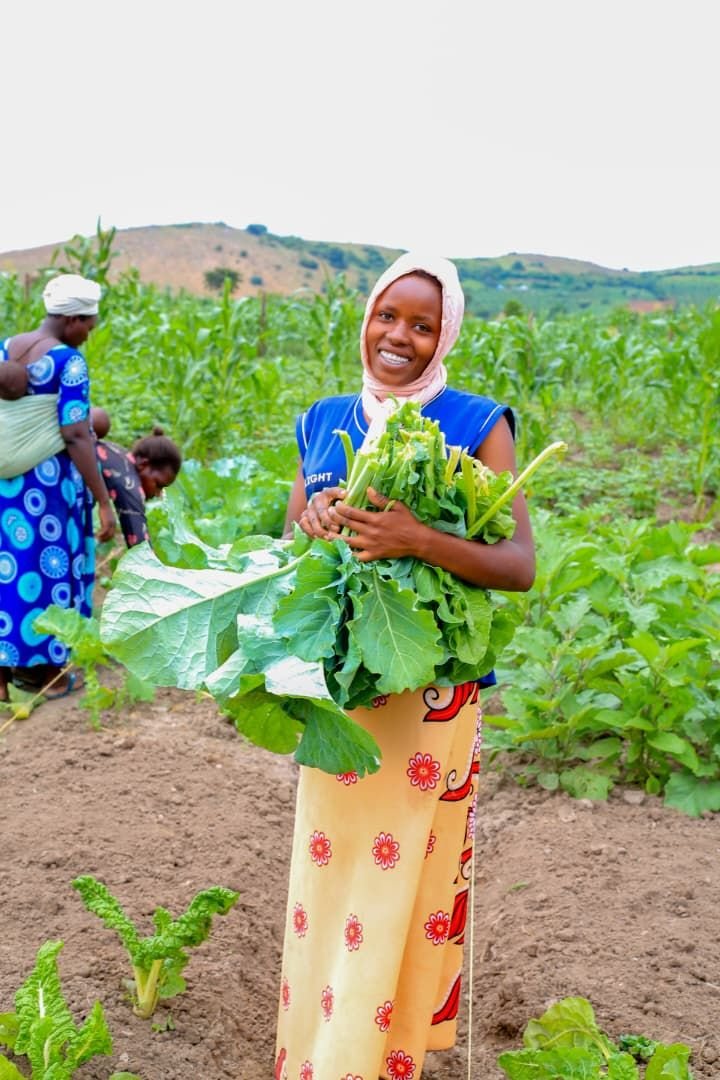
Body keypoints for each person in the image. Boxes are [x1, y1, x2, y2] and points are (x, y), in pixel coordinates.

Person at [275, 253, 535, 1080]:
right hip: (341, 700)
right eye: (389, 316)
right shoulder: (323, 420)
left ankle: (381, 1058)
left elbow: (519, 565)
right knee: (328, 878)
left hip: (430, 700)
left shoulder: (476, 423)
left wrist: (417, 540)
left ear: (444, 334)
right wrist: (315, 521)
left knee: (403, 883)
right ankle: (318, 1054)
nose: (400, 337)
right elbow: (289, 551)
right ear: (367, 320)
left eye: (423, 325)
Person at [0, 274, 116, 702]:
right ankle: (44, 674)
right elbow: (76, 433)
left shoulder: (5, 348)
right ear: (73, 320)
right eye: (89, 325)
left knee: (9, 569)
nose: (89, 334)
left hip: (6, 485)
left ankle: (3, 676)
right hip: (46, 486)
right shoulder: (68, 362)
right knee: (47, 570)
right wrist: (103, 500)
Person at [91, 407, 182, 548]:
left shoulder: (118, 455)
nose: (158, 494)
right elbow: (140, 545)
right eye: (158, 484)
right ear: (144, 465)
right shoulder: (130, 482)